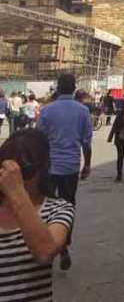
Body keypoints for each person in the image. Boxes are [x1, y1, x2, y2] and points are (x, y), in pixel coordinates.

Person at [0, 129, 75, 302]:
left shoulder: (58, 209)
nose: (17, 178)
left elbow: (44, 252)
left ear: (44, 167)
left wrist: (16, 191)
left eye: (24, 172)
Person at [37, 72, 92, 271]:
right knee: (68, 205)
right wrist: (87, 164)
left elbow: (39, 139)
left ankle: (48, 243)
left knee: (46, 205)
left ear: (58, 88)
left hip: (50, 166)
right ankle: (64, 244)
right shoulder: (83, 110)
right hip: (70, 166)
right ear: (74, 88)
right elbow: (86, 142)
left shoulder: (47, 110)